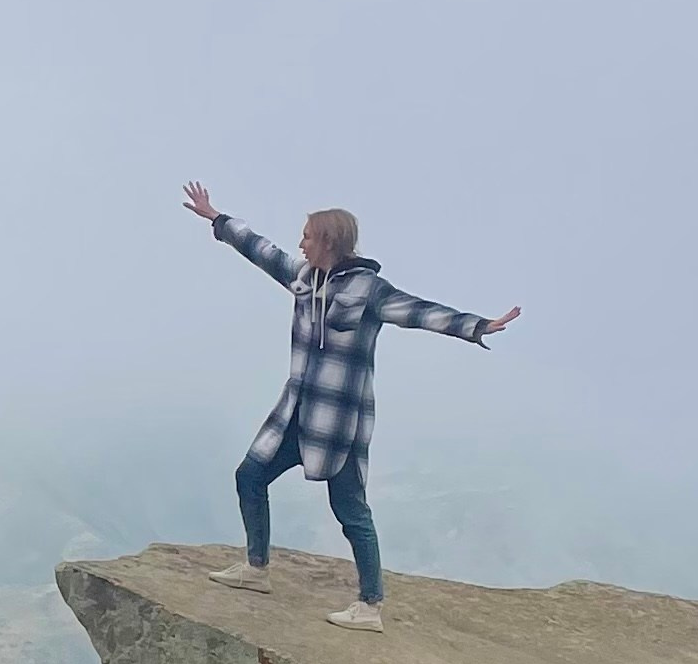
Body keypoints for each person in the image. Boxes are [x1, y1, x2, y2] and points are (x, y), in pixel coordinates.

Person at [181, 182, 520, 628]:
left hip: (339, 423)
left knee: (351, 510)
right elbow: (260, 249)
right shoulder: (304, 277)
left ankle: (370, 605)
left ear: (328, 241)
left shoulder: (368, 291)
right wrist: (217, 218)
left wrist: (476, 326)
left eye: (307, 235)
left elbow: (419, 311)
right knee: (249, 476)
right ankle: (256, 569)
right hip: (296, 413)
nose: (300, 242)